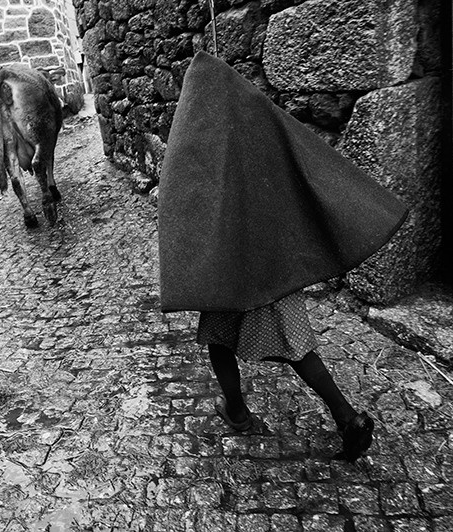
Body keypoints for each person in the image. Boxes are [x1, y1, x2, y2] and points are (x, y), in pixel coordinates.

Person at [157, 52, 409, 462]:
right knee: (297, 347)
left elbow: (179, 203)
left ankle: (237, 411)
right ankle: (346, 417)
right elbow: (297, 163)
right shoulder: (259, 116)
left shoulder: (191, 139)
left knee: (218, 340)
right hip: (271, 262)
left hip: (224, 267)